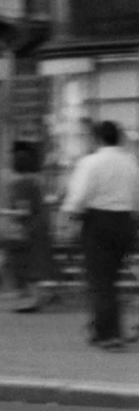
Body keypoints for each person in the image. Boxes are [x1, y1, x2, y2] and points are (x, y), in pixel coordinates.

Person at [61, 119, 139, 348]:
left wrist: (68, 220)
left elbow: (78, 197)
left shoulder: (90, 162)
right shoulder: (131, 163)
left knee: (100, 280)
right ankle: (101, 327)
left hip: (98, 223)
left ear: (98, 138)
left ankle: (108, 334)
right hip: (124, 222)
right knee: (111, 279)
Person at [0, 144, 56, 314]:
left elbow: (24, 210)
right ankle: (38, 297)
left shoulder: (20, 184)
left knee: (24, 263)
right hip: (39, 226)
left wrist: (4, 211)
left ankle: (32, 300)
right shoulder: (36, 182)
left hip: (27, 229)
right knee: (37, 264)